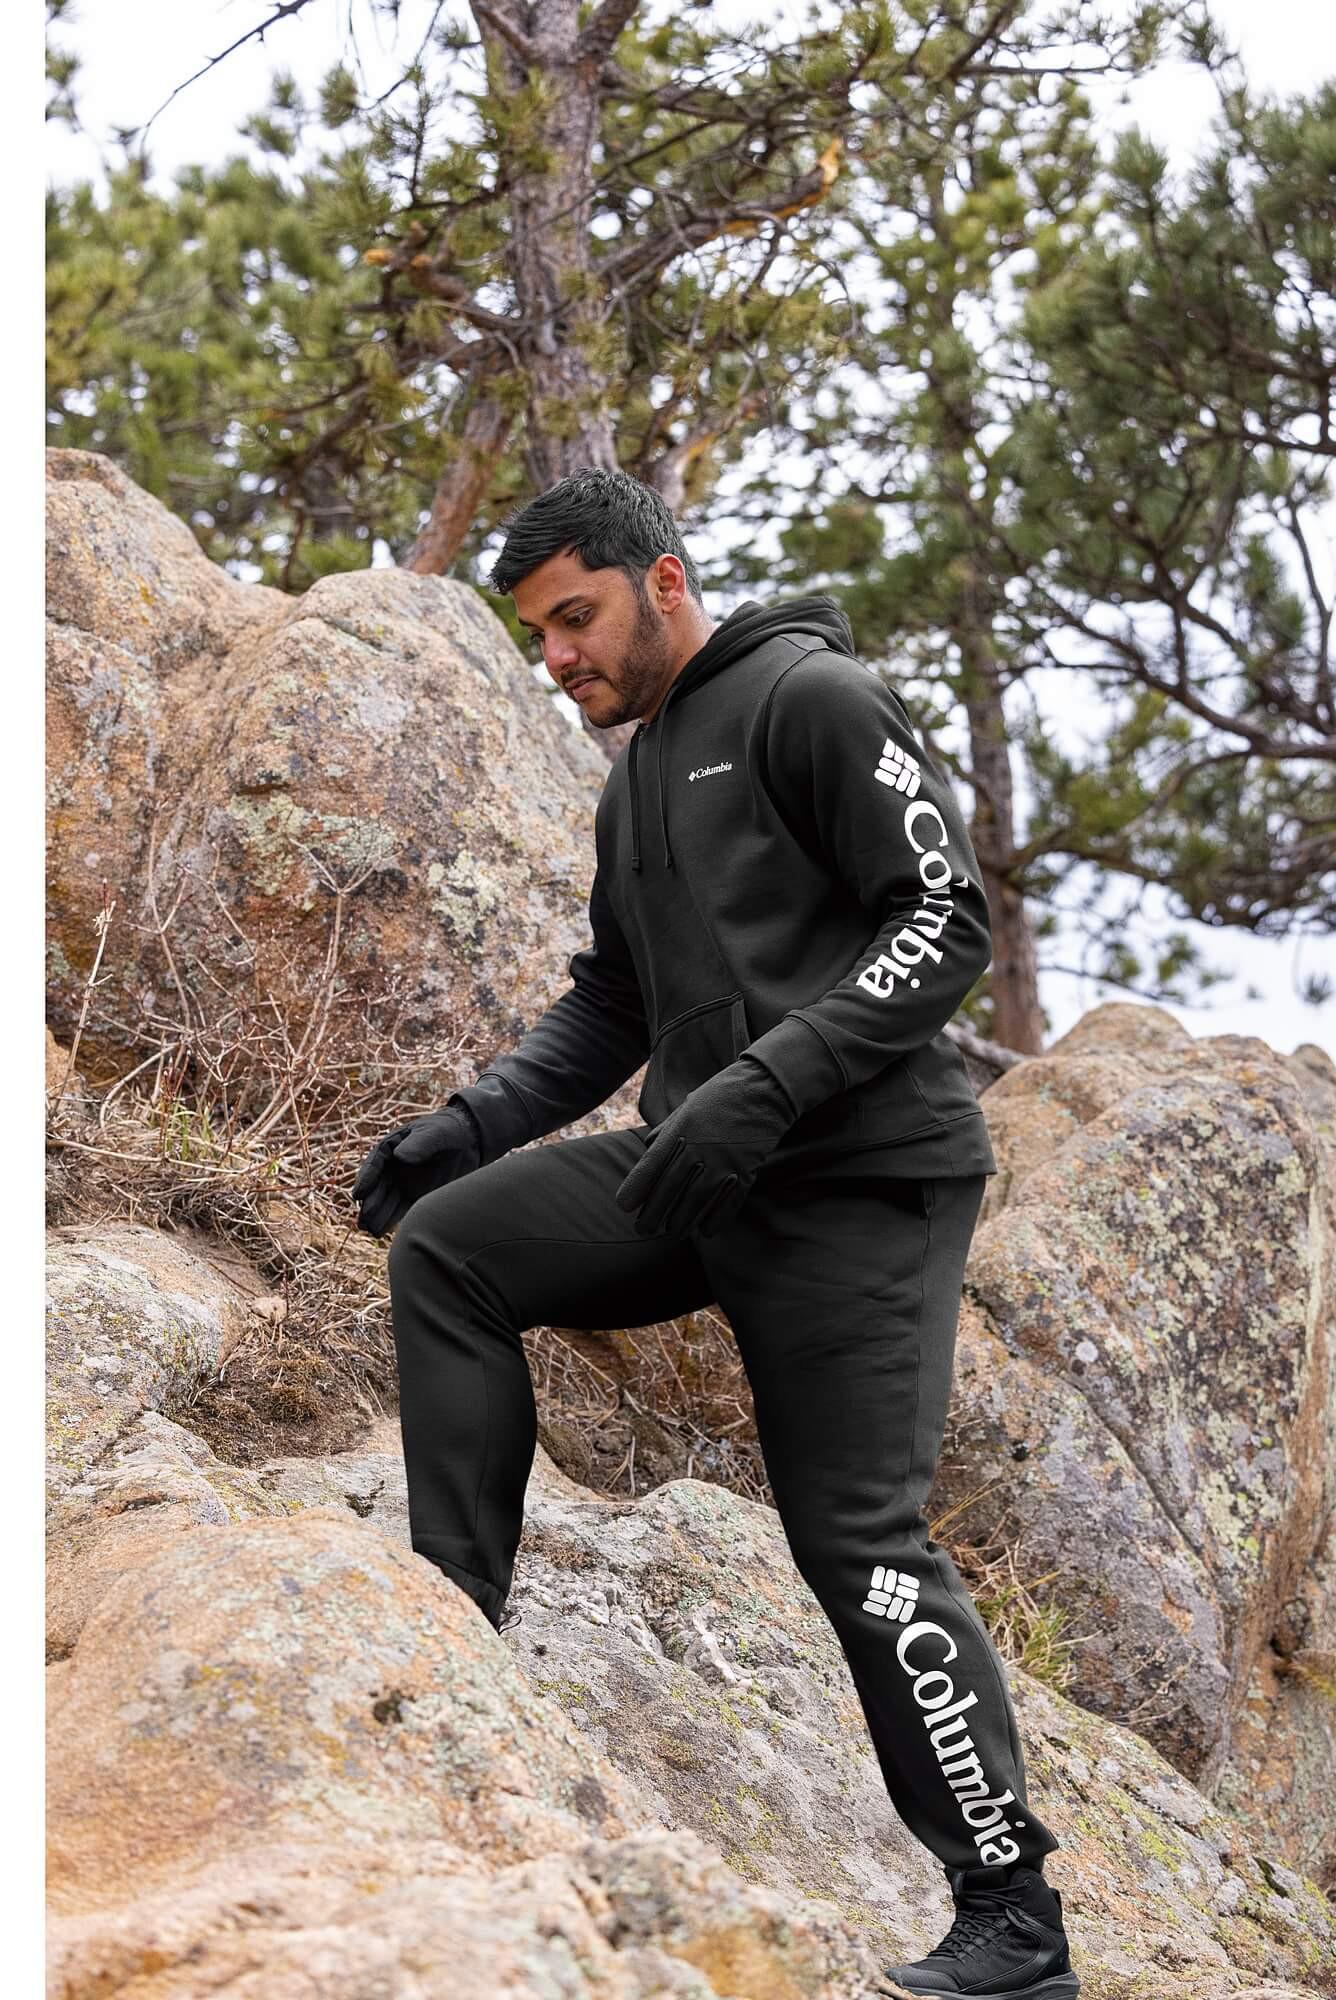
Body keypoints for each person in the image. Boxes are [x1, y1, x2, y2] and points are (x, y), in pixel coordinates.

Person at [354, 469, 1080, 1998]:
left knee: (858, 1543)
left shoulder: (812, 699)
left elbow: (943, 921)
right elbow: (613, 1003)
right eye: (539, 634)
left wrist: (769, 1084)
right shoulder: (635, 782)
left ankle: (1013, 1916)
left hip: (859, 1182)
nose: (558, 657)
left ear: (665, 582)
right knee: (453, 1251)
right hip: (704, 1171)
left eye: (577, 618)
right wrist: (471, 1126)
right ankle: (455, 1647)